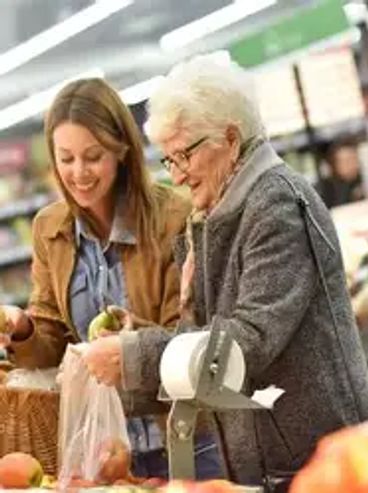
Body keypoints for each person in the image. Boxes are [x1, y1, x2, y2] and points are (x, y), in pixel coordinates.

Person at [82, 55, 368, 489]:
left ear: (230, 139)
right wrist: (136, 338)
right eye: (169, 160)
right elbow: (209, 335)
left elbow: (247, 341)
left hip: (316, 461)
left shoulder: (276, 205)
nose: (176, 176)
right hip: (269, 460)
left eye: (183, 156)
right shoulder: (217, 215)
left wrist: (136, 356)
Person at [0, 78, 221, 480]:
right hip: (104, 454)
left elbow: (194, 335)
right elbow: (52, 341)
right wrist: (23, 327)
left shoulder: (175, 218)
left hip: (187, 442)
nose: (79, 173)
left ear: (121, 150)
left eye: (93, 156)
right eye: (65, 159)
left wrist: (131, 344)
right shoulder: (50, 229)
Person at [317, 139, 365, 209]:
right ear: (335, 164)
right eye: (346, 161)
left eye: (354, 159)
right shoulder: (327, 190)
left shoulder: (363, 180)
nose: (353, 164)